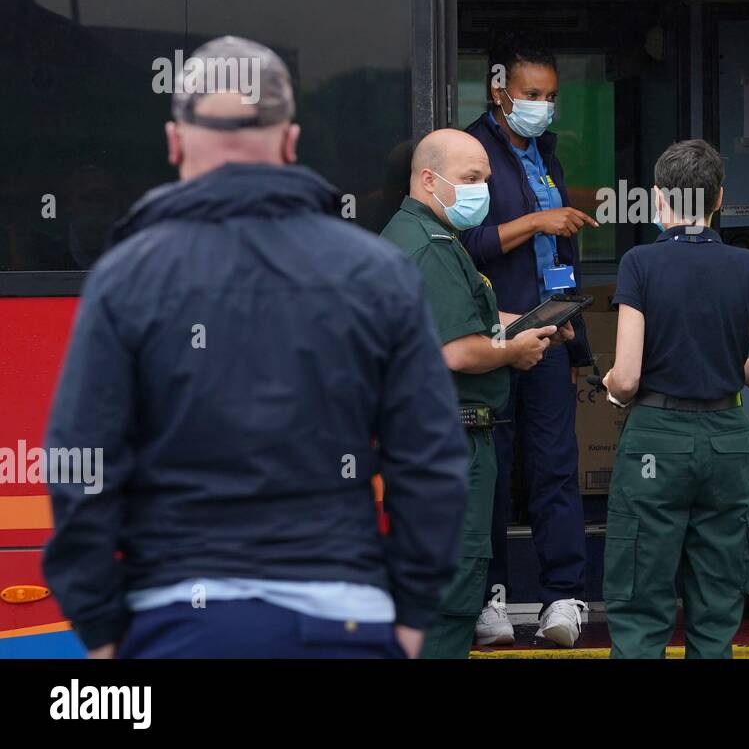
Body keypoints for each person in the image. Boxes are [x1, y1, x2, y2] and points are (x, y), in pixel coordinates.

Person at [42, 36, 468, 659]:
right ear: (292, 143)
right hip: (343, 619)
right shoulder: (377, 274)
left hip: (176, 624)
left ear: (175, 141)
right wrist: (409, 616)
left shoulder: (127, 275)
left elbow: (79, 464)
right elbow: (431, 461)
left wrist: (101, 629)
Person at [380, 129, 564, 657]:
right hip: (450, 444)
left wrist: (534, 324)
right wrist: (514, 351)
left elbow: (472, 320)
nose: (483, 189)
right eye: (471, 179)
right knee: (451, 594)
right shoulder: (432, 248)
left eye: (485, 178)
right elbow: (458, 351)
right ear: (429, 179)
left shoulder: (414, 237)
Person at [602, 140, 749, 657]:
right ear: (719, 198)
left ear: (658, 198)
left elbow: (628, 377)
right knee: (718, 593)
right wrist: (727, 367)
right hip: (725, 440)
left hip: (655, 442)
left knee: (640, 589)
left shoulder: (640, 263)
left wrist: (611, 385)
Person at [461, 35, 598, 647]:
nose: (543, 106)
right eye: (531, 94)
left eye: (551, 96)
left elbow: (561, 253)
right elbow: (469, 244)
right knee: (489, 468)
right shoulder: (471, 149)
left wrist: (577, 345)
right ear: (500, 91)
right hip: (494, 333)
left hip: (550, 333)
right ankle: (488, 597)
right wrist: (538, 220)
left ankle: (562, 598)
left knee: (554, 467)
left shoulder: (546, 151)